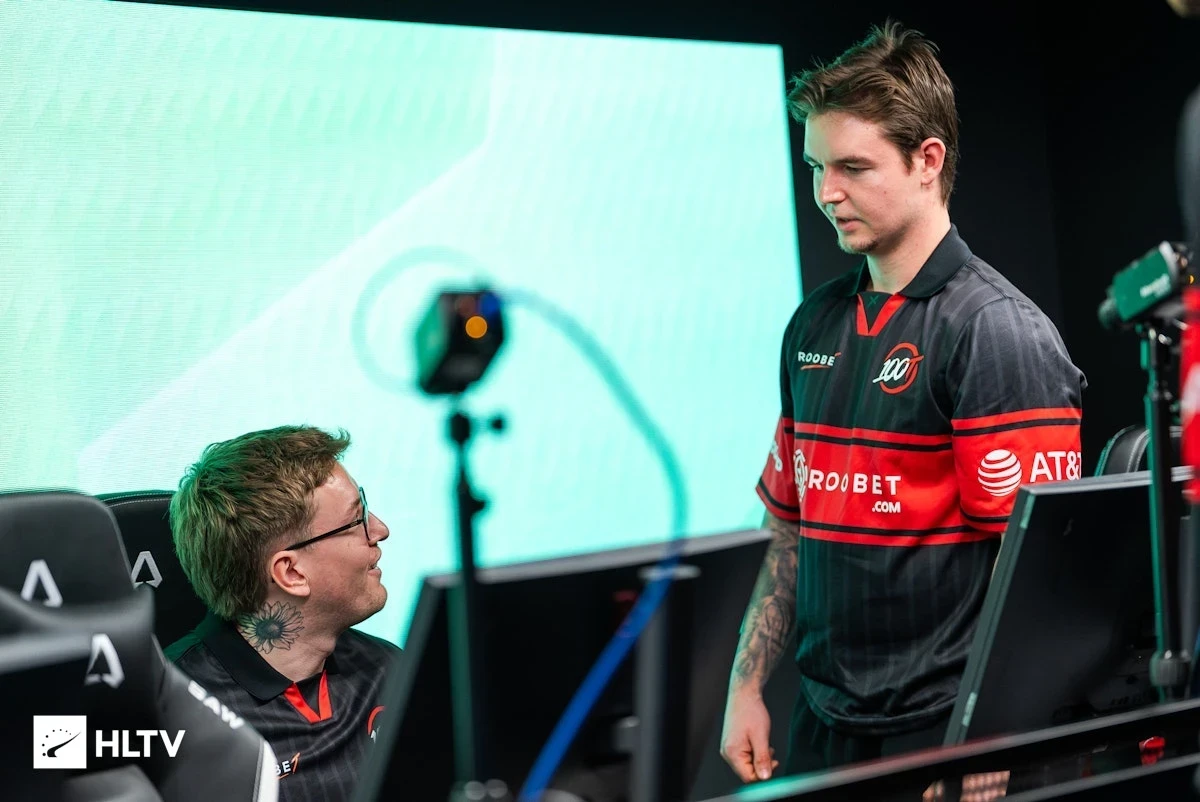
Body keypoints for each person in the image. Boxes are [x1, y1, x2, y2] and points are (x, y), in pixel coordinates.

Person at [719, 20, 1086, 784]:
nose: (827, 193)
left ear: (928, 161)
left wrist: (993, 741)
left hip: (947, 733)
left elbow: (1040, 577)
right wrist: (744, 686)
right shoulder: (813, 323)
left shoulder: (995, 331)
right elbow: (787, 526)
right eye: (817, 167)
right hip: (823, 724)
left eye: (853, 167)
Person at [164, 425, 400, 802]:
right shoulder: (163, 710)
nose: (380, 530)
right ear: (291, 573)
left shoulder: (388, 669)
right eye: (358, 519)